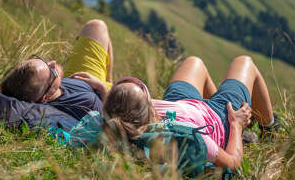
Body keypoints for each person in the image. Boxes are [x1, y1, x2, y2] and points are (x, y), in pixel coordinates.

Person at [102, 55, 279, 171]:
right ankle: (270, 128)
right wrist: (237, 125)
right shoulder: (188, 138)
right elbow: (233, 163)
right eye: (142, 90)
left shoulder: (121, 121)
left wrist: (101, 87)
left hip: (179, 104)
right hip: (218, 119)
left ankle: (220, 98)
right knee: (244, 62)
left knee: (194, 62)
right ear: (149, 108)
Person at [0, 19, 113, 120]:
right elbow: (110, 124)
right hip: (106, 98)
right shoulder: (71, 111)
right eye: (52, 72)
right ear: (46, 97)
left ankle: (109, 78)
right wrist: (103, 89)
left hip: (75, 77)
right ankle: (109, 82)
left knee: (96, 26)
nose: (53, 62)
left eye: (44, 61)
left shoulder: (38, 89)